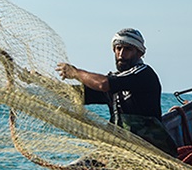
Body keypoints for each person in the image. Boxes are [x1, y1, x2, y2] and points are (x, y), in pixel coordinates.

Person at [56, 28, 178, 156]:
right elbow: (80, 94)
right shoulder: (116, 82)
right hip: (123, 150)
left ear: (140, 52)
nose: (121, 54)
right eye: (118, 48)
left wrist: (76, 73)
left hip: (151, 152)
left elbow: (103, 84)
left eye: (128, 49)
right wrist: (41, 81)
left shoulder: (143, 74)